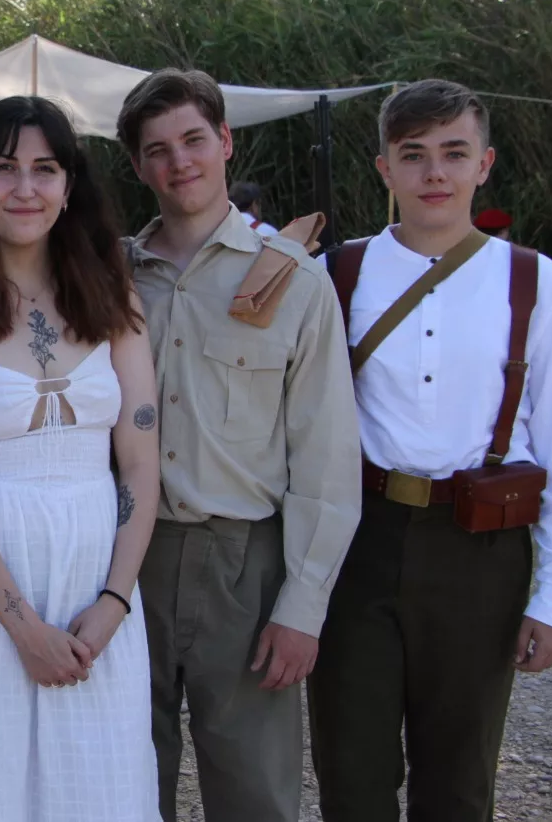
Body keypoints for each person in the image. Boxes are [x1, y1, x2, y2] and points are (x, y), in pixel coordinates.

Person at [307, 79, 552, 822]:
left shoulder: (538, 285)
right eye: (414, 155)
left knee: (460, 780)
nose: (434, 173)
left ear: (484, 164)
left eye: (453, 153)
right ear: (385, 170)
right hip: (358, 538)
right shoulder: (335, 275)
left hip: (481, 549)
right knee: (352, 769)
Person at [0, 95, 161, 822]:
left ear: (69, 185)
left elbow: (140, 464)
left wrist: (113, 603)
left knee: (107, 791)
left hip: (97, 583)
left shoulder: (114, 296)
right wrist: (22, 627)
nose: (25, 188)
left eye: (45, 169)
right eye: (4, 168)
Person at [117, 70, 361, 822]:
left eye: (194, 140)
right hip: (127, 557)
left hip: (244, 567)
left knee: (254, 790)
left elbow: (324, 451)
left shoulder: (295, 282)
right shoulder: (109, 276)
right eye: (156, 150)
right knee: (122, 779)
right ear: (137, 166)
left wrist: (304, 604)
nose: (178, 162)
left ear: (224, 142)